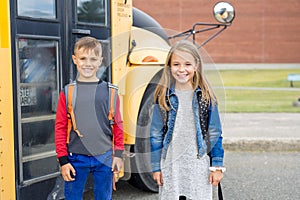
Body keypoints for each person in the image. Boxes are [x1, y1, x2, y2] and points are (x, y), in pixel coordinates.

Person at [150, 40, 225, 200]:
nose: (182, 69)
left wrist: (217, 166)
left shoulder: (206, 97)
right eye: (176, 64)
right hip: (171, 164)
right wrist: (156, 167)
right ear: (169, 66)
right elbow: (156, 134)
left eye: (187, 64)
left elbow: (215, 133)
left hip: (198, 164)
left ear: (196, 66)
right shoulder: (162, 96)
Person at [55, 36, 124, 200]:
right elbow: (60, 127)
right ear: (75, 60)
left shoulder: (110, 92)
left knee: (104, 197)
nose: (88, 63)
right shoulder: (68, 92)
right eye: (83, 58)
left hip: (104, 157)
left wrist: (118, 155)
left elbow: (118, 125)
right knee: (73, 197)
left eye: (93, 59)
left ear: (100, 61)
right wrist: (63, 161)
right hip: (75, 157)